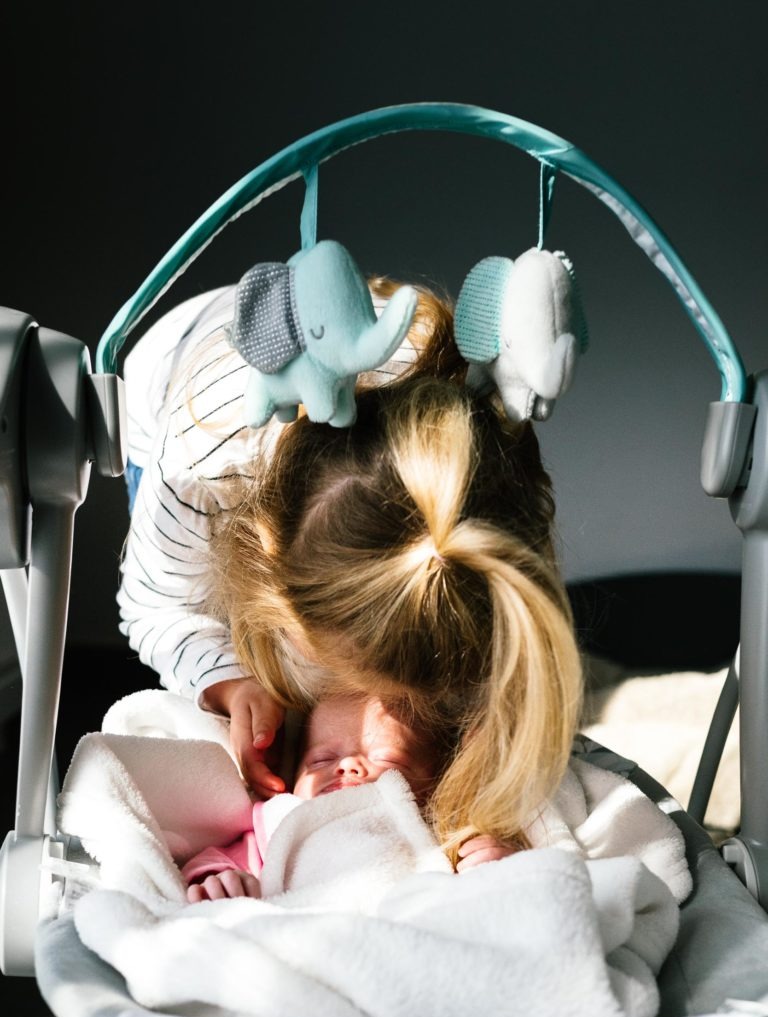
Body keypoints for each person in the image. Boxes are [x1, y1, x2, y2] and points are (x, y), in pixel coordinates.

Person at [118, 272, 583, 871]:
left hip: (399, 381)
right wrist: (230, 681)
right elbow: (154, 608)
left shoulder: (493, 489)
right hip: (181, 368)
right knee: (192, 606)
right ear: (267, 564)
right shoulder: (199, 464)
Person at [183, 691, 520, 903]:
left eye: (387, 761)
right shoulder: (281, 825)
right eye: (321, 760)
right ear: (293, 776)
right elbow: (211, 860)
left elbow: (493, 898)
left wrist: (495, 865)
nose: (347, 765)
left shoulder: (442, 832)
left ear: (435, 786)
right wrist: (217, 880)